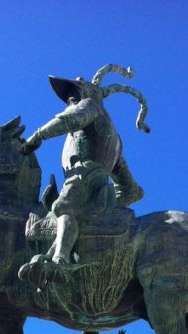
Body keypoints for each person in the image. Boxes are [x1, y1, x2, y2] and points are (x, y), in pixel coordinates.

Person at [22, 66, 148, 271]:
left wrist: (36, 137)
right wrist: (107, 205)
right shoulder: (115, 140)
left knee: (63, 207)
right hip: (97, 179)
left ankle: (60, 260)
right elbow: (132, 190)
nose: (70, 98)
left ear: (89, 94)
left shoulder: (90, 106)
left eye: (74, 93)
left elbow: (71, 119)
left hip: (83, 174)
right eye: (69, 95)